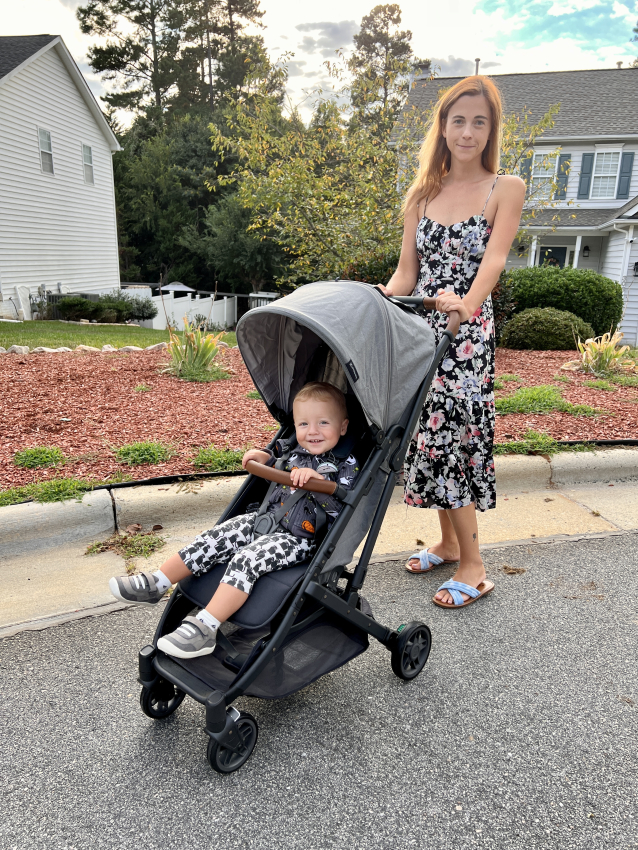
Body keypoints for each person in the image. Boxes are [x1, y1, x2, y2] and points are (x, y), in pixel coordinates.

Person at [379, 76, 525, 609]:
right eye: (458, 120)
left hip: (464, 334)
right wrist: (376, 296)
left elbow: (495, 260)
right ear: (442, 127)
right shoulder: (421, 192)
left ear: (491, 131)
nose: (467, 131)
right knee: (425, 435)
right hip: (420, 330)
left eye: (479, 122)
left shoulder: (505, 187)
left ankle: (475, 563)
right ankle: (445, 542)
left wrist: (466, 301)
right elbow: (404, 274)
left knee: (453, 439)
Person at [109, 382, 359, 657]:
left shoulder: (346, 465)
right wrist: (264, 457)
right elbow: (275, 460)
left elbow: (342, 510)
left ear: (344, 427)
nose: (312, 431)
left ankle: (206, 627)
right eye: (303, 424)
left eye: (323, 422)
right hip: (264, 519)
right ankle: (157, 582)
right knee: (215, 535)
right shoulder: (292, 449)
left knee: (247, 559)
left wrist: (321, 484)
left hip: (301, 539)